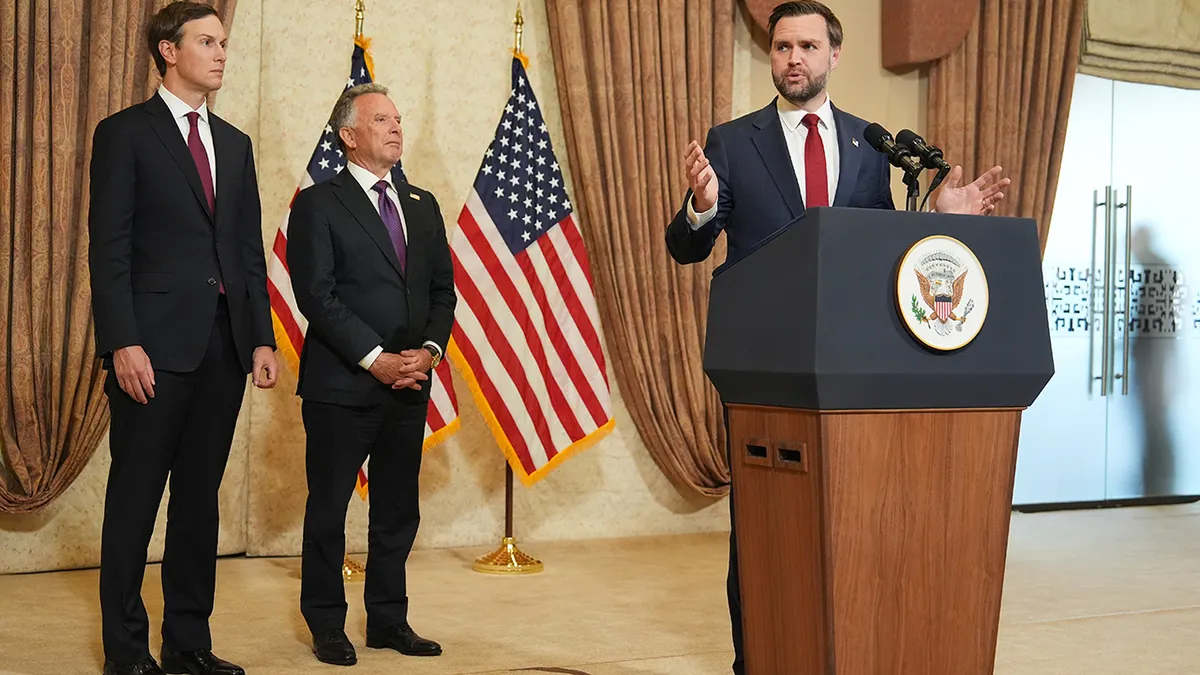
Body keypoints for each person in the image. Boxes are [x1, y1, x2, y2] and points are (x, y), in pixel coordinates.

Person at [663, 2, 1010, 673]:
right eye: (783, 45)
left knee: (850, 521)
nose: (794, 57)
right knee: (763, 530)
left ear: (833, 56)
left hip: (849, 366)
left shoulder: (867, 143)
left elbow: (879, 251)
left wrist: (939, 218)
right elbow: (686, 246)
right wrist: (702, 205)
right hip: (765, 363)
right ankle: (758, 659)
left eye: (808, 45)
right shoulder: (733, 141)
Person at [87, 2, 278, 674]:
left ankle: (189, 645)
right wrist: (122, 342)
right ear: (168, 51)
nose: (221, 52)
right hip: (151, 351)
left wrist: (261, 336)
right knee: (134, 503)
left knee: (199, 505)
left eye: (224, 41)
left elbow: (246, 251)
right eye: (207, 41)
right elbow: (108, 251)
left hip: (223, 350)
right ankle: (126, 653)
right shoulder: (124, 134)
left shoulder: (235, 143)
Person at [287, 83, 455, 666]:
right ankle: (327, 625)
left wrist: (429, 350)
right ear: (349, 135)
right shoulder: (318, 204)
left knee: (396, 511)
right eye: (382, 119)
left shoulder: (422, 203)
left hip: (410, 383)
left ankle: (388, 620)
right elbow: (317, 294)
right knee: (329, 508)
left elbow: (442, 291)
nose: (395, 128)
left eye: (398, 119)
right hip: (342, 385)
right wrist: (375, 359)